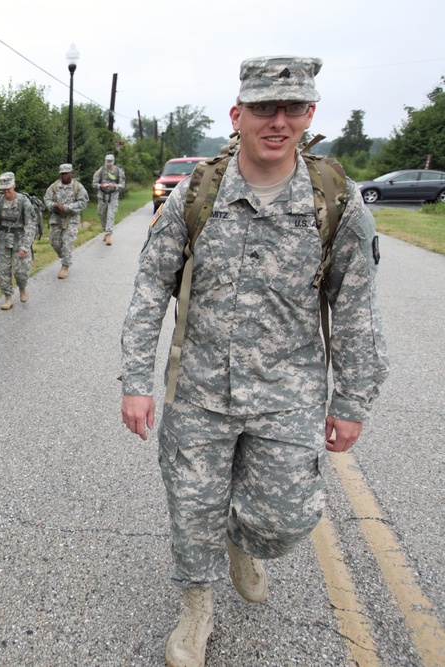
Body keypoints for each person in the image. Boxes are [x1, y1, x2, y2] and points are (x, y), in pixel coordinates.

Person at [119, 57, 389, 667]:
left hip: (289, 394)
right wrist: (137, 381)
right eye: (265, 107)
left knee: (287, 521)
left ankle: (244, 541)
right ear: (237, 115)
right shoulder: (197, 194)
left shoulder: (336, 201)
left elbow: (357, 309)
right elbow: (147, 290)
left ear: (310, 115)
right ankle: (195, 608)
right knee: (192, 510)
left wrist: (351, 403)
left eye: (293, 108)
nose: (279, 121)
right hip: (199, 392)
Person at [0, 171, 39, 310]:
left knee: (20, 272)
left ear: (14, 186)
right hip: (3, 240)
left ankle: (22, 287)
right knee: (3, 270)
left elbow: (31, 225)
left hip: (20, 239)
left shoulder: (23, 202)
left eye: (8, 189)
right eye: (3, 190)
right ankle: (8, 298)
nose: (6, 192)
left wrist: (25, 247)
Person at [44, 163, 89, 279]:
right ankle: (64, 255)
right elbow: (46, 199)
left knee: (67, 243)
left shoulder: (78, 187)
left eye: (66, 173)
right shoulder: (54, 186)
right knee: (55, 243)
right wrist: (53, 206)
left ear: (71, 173)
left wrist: (67, 207)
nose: (64, 176)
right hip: (56, 218)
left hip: (71, 219)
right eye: (62, 174)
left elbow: (83, 203)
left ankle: (65, 266)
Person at [92, 153, 126, 246]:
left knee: (110, 214)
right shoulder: (101, 171)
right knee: (102, 214)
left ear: (113, 162)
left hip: (113, 196)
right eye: (108, 164)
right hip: (102, 196)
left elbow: (122, 185)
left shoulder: (118, 171)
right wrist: (101, 185)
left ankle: (109, 234)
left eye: (110, 163)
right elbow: (94, 183)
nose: (109, 165)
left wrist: (115, 186)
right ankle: (105, 231)